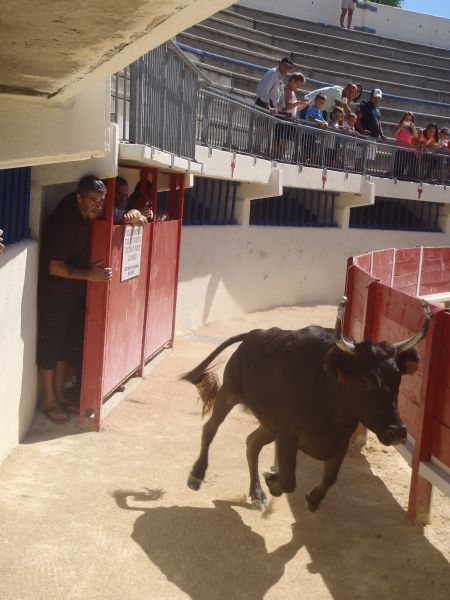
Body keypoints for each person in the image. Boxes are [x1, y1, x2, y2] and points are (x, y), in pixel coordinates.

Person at [37, 175, 113, 423]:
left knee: (63, 347)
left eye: (100, 201)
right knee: (50, 347)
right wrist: (90, 276)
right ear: (79, 197)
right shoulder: (65, 220)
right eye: (92, 200)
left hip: (70, 295)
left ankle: (58, 395)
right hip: (55, 295)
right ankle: (48, 399)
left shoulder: (80, 213)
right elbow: (55, 267)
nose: (97, 206)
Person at [274, 72, 310, 160]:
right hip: (283, 119)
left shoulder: (292, 92)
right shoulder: (286, 90)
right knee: (281, 145)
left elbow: (294, 108)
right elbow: (287, 107)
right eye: (297, 84)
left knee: (283, 145)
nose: (298, 87)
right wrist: (299, 102)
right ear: (292, 81)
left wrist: (302, 105)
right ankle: (276, 160)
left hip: (288, 121)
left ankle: (278, 160)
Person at [393, 113, 419, 180]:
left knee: (412, 169)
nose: (408, 121)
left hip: (409, 152)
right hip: (401, 151)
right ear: (404, 118)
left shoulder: (411, 128)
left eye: (410, 119)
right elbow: (394, 135)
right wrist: (401, 127)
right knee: (398, 171)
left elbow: (416, 136)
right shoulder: (399, 126)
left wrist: (413, 127)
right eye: (406, 119)